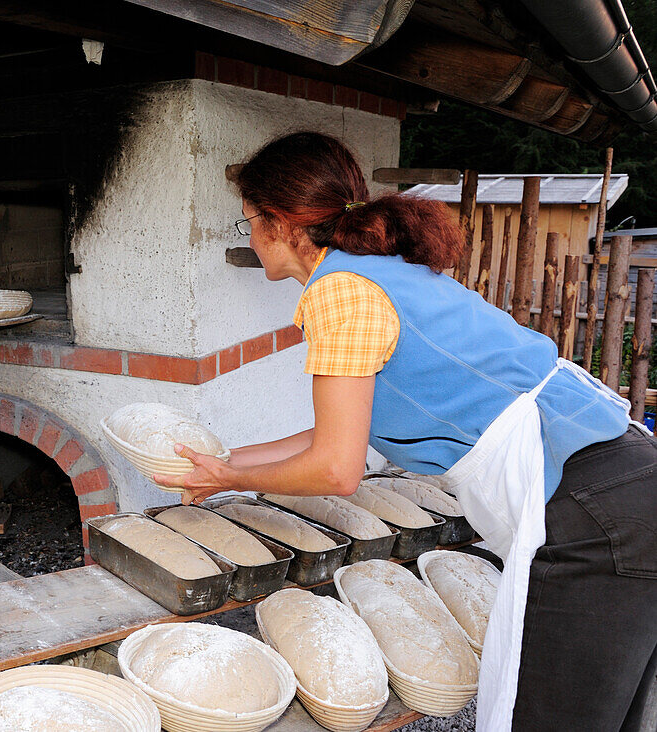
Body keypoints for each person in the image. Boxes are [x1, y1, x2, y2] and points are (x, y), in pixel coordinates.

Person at [154, 132, 657, 731]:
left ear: (281, 222)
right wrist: (221, 464)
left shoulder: (340, 293)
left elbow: (336, 470)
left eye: (250, 222)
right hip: (623, 489)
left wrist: (235, 477)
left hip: (593, 515)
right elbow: (339, 431)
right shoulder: (373, 273)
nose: (253, 237)